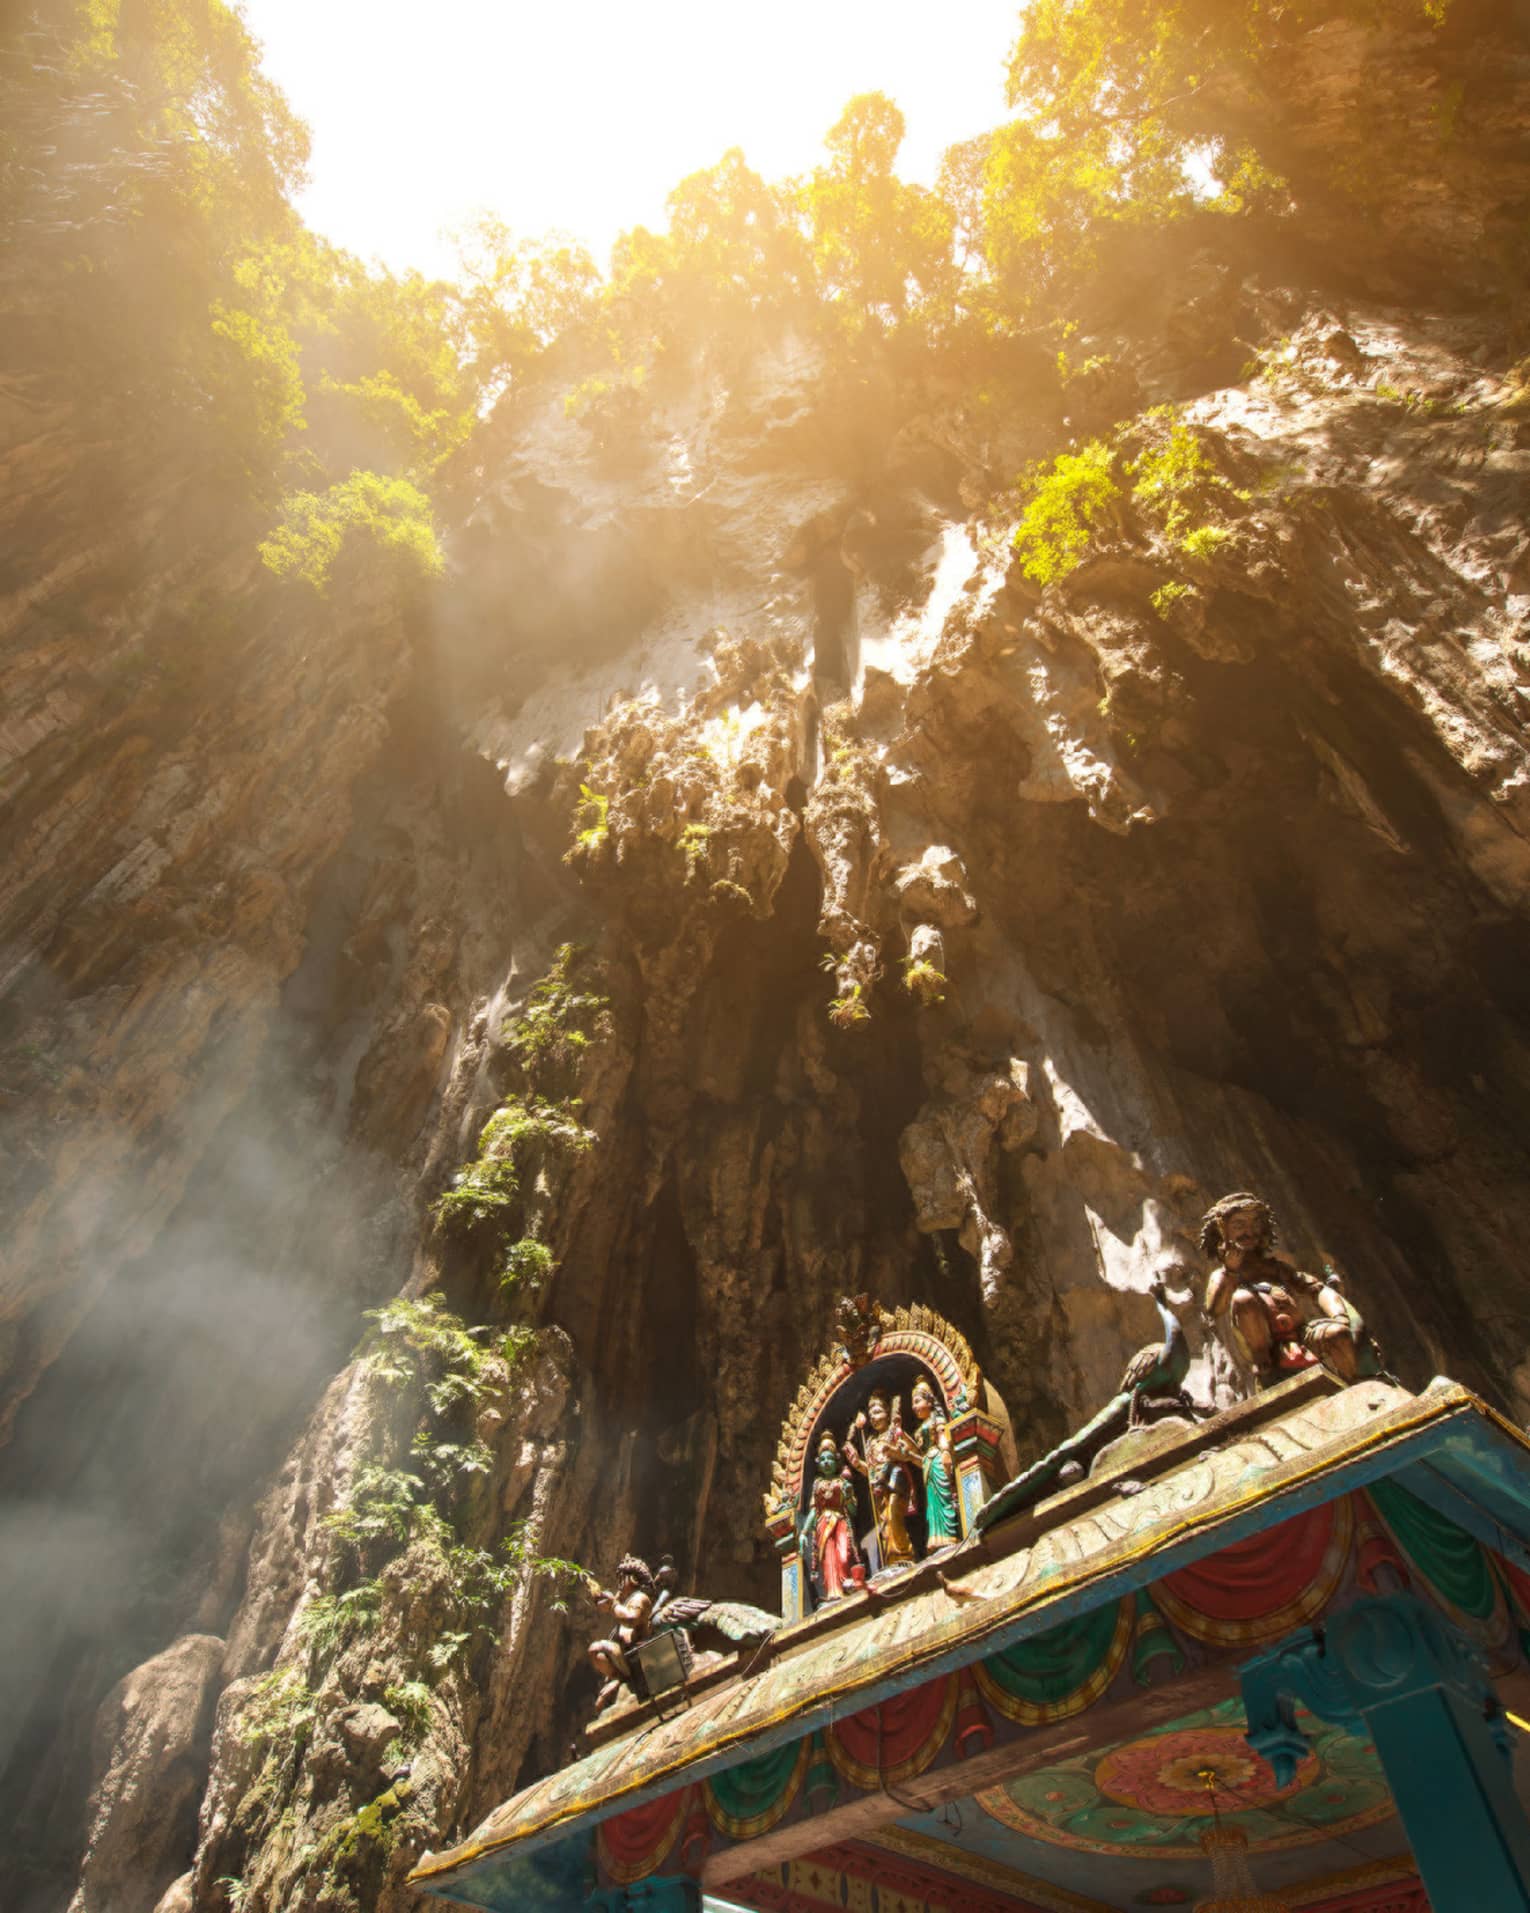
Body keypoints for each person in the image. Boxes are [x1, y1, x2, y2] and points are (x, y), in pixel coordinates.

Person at [1200, 1192, 1381, 1389]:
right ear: (1222, 1233)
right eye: (1239, 1225)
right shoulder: (1224, 1276)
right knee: (1243, 1299)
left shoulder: (1278, 1269)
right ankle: (1265, 1364)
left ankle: (1359, 1386)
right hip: (1265, 1349)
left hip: (1302, 1335)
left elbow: (1317, 1290)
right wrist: (1231, 1271)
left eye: (1255, 1225)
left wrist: (1339, 1315)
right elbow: (1215, 1309)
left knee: (1337, 1334)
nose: (1249, 1232)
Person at [844, 1389, 919, 1570]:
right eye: (871, 1415)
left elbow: (913, 1454)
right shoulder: (871, 1441)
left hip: (895, 1481)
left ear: (887, 1412)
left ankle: (904, 1553)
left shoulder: (893, 1433)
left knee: (894, 1515)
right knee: (884, 1523)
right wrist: (857, 1464)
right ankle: (892, 1558)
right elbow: (870, 1471)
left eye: (878, 1412)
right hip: (879, 1487)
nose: (874, 1418)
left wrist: (896, 1450)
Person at [801, 1428, 863, 1603]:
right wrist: (804, 1532)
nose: (826, 1462)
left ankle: (846, 1584)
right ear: (818, 1463)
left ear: (836, 1461)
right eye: (823, 1459)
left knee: (843, 1555)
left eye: (830, 1458)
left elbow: (853, 1510)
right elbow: (814, 1510)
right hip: (823, 1523)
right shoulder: (817, 1484)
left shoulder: (842, 1482)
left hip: (840, 1521)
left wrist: (849, 1495)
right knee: (828, 1558)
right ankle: (833, 1592)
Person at [587, 1554, 655, 1710]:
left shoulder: (640, 1598)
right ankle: (618, 1677)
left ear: (632, 1579)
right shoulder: (627, 1601)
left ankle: (622, 1678)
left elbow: (632, 1619)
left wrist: (613, 1606)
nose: (618, 1584)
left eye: (621, 1578)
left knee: (598, 1647)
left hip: (642, 1652)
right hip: (628, 1653)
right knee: (596, 1651)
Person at [910, 1379, 961, 1552]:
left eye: (918, 1401)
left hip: (938, 1459)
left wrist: (946, 1451)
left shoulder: (936, 1418)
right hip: (928, 1464)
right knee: (932, 1502)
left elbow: (942, 1435)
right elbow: (918, 1456)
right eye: (913, 1403)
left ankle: (949, 1534)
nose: (914, 1407)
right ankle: (937, 1537)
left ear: (930, 1401)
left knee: (943, 1496)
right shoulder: (920, 1428)